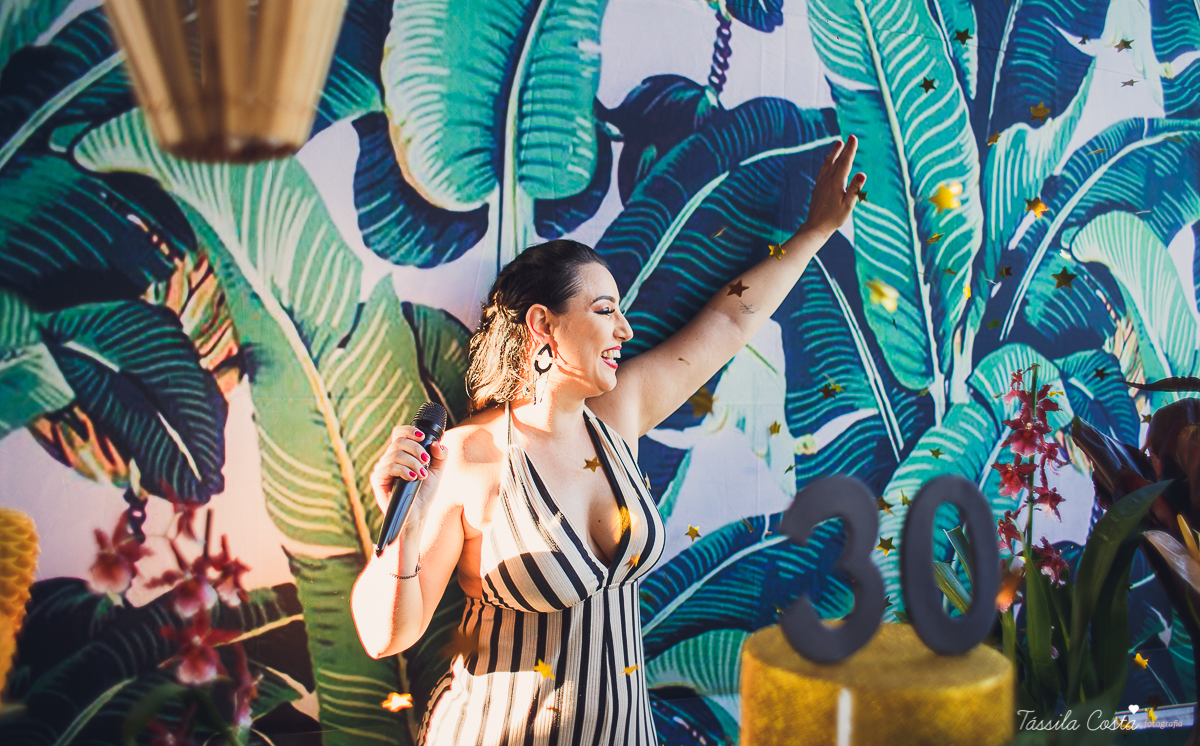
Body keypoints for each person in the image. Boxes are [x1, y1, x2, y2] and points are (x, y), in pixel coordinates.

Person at [350, 136, 866, 745]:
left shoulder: (619, 415)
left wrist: (815, 233)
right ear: (543, 324)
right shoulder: (470, 457)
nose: (624, 327)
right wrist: (401, 531)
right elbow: (388, 637)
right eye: (603, 310)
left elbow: (731, 323)